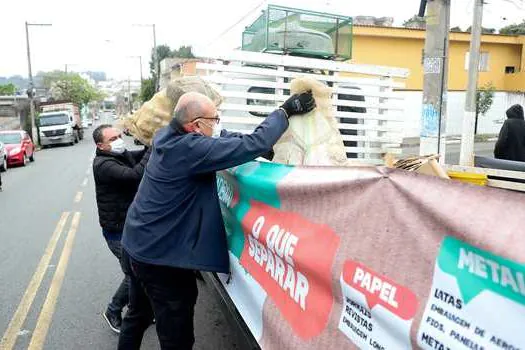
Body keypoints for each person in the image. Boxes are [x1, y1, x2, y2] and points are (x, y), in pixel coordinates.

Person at [118, 91, 315, 349]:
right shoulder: (190, 148)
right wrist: (284, 112)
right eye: (214, 118)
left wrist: (260, 144)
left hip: (135, 245)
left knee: (137, 315)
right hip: (161, 260)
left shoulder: (167, 135)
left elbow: (224, 140)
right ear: (196, 125)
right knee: (176, 336)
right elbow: (249, 145)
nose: (217, 122)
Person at [92, 124, 151, 334]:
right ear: (100, 145)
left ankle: (140, 310)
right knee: (134, 273)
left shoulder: (118, 155)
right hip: (117, 231)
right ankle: (113, 310)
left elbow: (138, 157)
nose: (119, 141)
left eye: (119, 136)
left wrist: (149, 143)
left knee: (141, 271)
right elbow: (134, 175)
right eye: (113, 139)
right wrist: (152, 150)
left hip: (129, 226)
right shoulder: (103, 164)